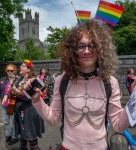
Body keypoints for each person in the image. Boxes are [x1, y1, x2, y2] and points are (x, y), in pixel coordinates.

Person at [26, 20, 131, 150]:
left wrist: (134, 103)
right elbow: (52, 119)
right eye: (81, 46)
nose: (87, 51)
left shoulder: (110, 82)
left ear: (100, 49)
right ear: (72, 51)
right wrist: (36, 99)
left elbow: (119, 125)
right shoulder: (62, 80)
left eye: (92, 45)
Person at [9, 60, 45, 150]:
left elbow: (28, 97)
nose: (21, 67)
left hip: (29, 110)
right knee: (22, 132)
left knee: (30, 132)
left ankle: (34, 148)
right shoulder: (19, 80)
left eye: (23, 66)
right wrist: (11, 93)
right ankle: (23, 147)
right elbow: (14, 95)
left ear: (29, 69)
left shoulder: (32, 80)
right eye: (21, 66)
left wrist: (14, 90)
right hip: (19, 108)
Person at [0, 64, 19, 144]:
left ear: (14, 71)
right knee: (5, 121)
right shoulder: (3, 79)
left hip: (12, 103)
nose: (9, 72)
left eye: (11, 70)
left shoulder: (17, 80)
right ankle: (8, 135)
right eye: (8, 70)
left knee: (13, 121)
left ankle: (15, 137)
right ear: (6, 71)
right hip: (4, 103)